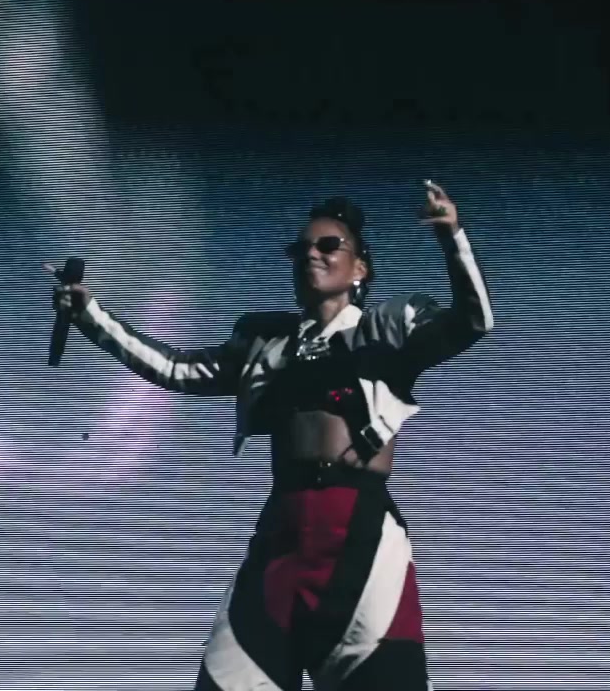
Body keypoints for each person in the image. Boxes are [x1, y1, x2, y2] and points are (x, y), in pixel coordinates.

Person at [48, 180, 493, 690]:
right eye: (301, 249)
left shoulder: (390, 329)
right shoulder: (265, 342)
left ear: (360, 268)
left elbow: (473, 320)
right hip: (281, 533)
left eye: (329, 245)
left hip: (361, 536)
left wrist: (452, 237)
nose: (312, 254)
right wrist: (90, 316)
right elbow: (176, 369)